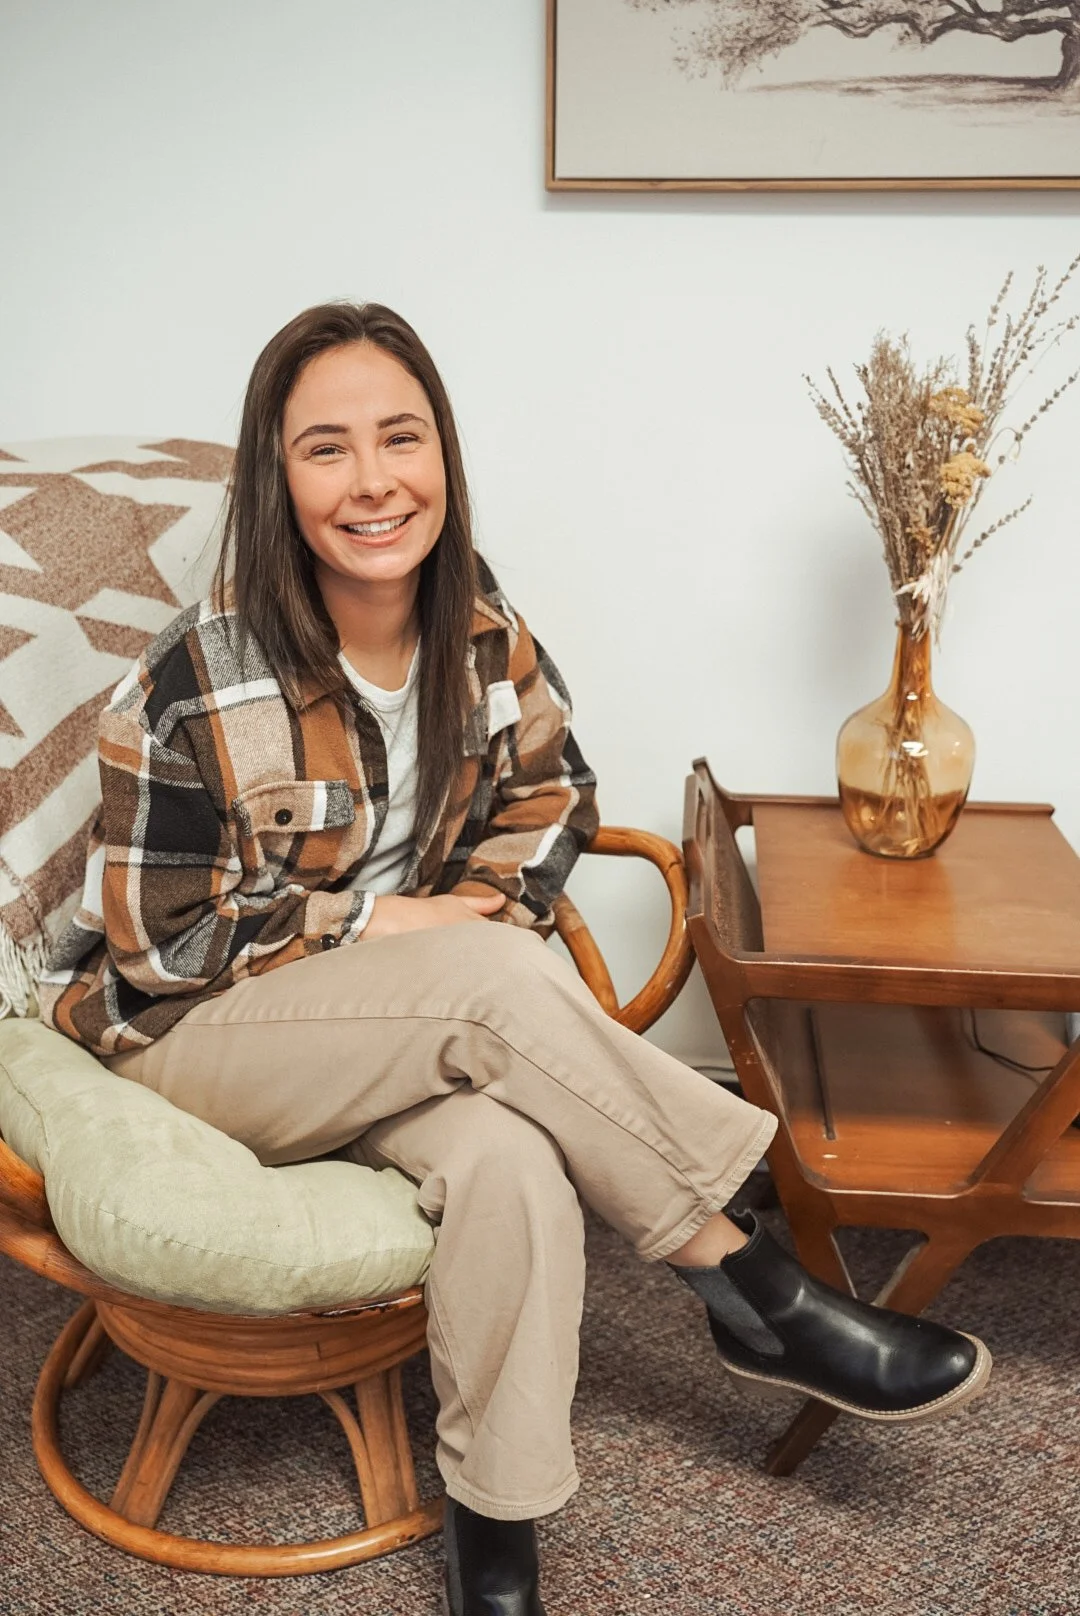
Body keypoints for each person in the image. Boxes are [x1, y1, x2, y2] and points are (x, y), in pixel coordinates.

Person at [39, 303, 992, 1616]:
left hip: (402, 1033)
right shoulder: (205, 678)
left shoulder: (477, 622)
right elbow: (164, 943)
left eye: (401, 437)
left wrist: (471, 907)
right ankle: (749, 1278)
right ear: (279, 482)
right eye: (327, 449)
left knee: (512, 1157)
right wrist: (391, 926)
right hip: (198, 1041)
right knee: (494, 984)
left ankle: (499, 1537)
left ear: (445, 454)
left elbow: (555, 790)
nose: (374, 480)